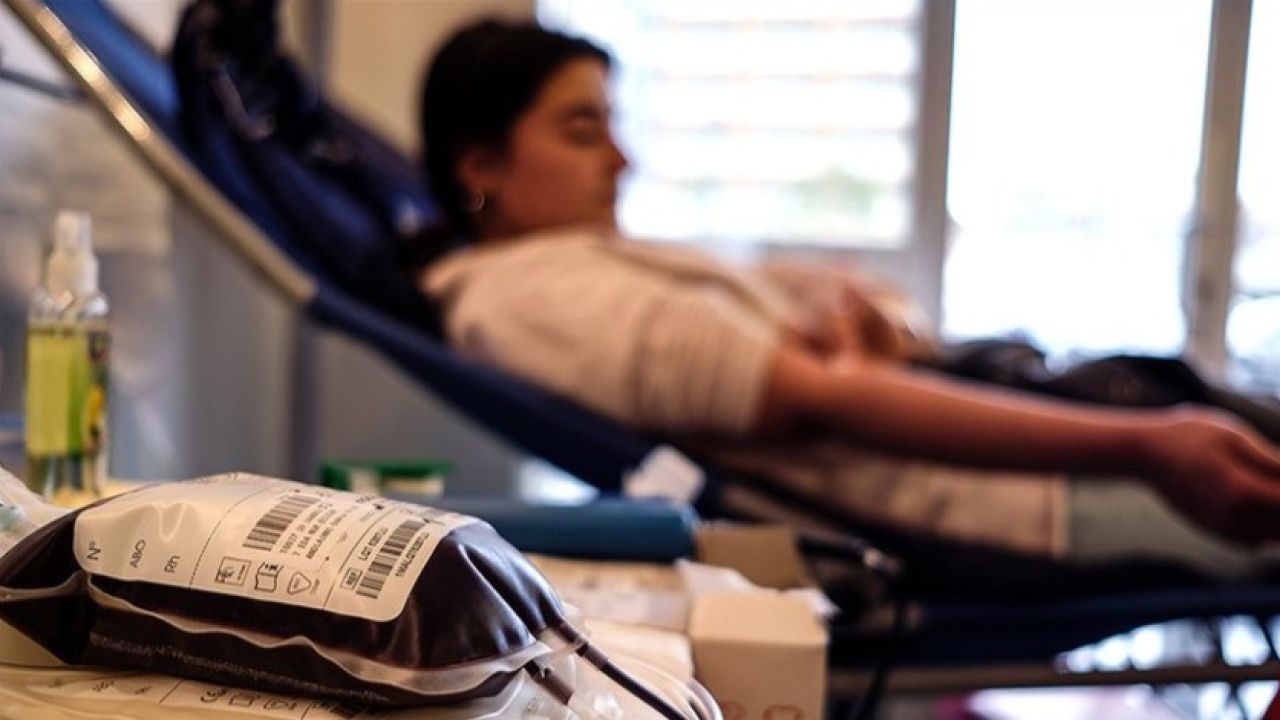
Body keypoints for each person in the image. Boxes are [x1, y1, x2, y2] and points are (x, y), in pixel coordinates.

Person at [412, 18, 1280, 579]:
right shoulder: (531, 297)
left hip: (1039, 431)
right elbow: (824, 396)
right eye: (581, 131)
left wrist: (857, 341)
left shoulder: (600, 262)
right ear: (481, 165)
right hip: (1027, 496)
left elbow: (863, 315)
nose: (621, 160)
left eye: (615, 124)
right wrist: (1147, 448)